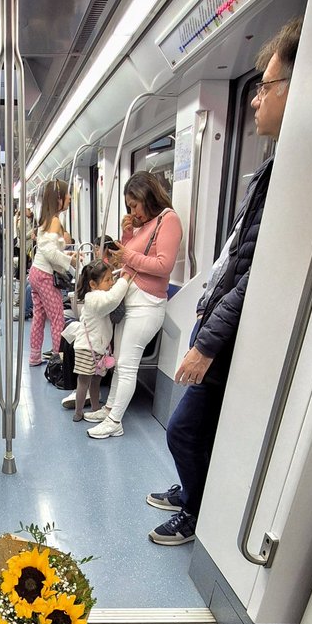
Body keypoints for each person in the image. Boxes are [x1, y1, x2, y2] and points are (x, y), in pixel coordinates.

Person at [148, 17, 302, 545]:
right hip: (217, 325)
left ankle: (197, 512)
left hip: (229, 339)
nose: (255, 101)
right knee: (198, 431)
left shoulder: (294, 176)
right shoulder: (272, 170)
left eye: (265, 88)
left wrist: (208, 341)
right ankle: (195, 495)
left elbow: (256, 273)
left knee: (184, 429)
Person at [85, 173, 182, 439]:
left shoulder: (168, 220)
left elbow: (164, 266)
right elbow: (129, 260)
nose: (133, 211)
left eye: (135, 205)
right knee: (119, 362)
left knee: (128, 364)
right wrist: (128, 234)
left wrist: (128, 254)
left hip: (148, 304)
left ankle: (115, 420)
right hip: (132, 302)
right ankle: (108, 409)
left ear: (148, 198)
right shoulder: (144, 225)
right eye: (129, 207)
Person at [68, 259, 131, 422]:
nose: (111, 283)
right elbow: (112, 299)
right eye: (107, 280)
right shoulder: (94, 298)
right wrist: (124, 279)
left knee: (95, 381)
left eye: (112, 279)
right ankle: (78, 411)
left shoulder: (99, 294)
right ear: (93, 284)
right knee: (83, 382)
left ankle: (95, 408)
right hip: (86, 348)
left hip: (98, 348)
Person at [28, 178, 75, 367]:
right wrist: (69, 260)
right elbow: (49, 251)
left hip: (36, 273)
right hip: (45, 275)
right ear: (58, 199)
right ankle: (59, 361)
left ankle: (34, 357)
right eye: (67, 194)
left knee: (39, 316)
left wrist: (65, 254)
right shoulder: (55, 220)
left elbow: (48, 248)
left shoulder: (46, 219)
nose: (70, 197)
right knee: (57, 318)